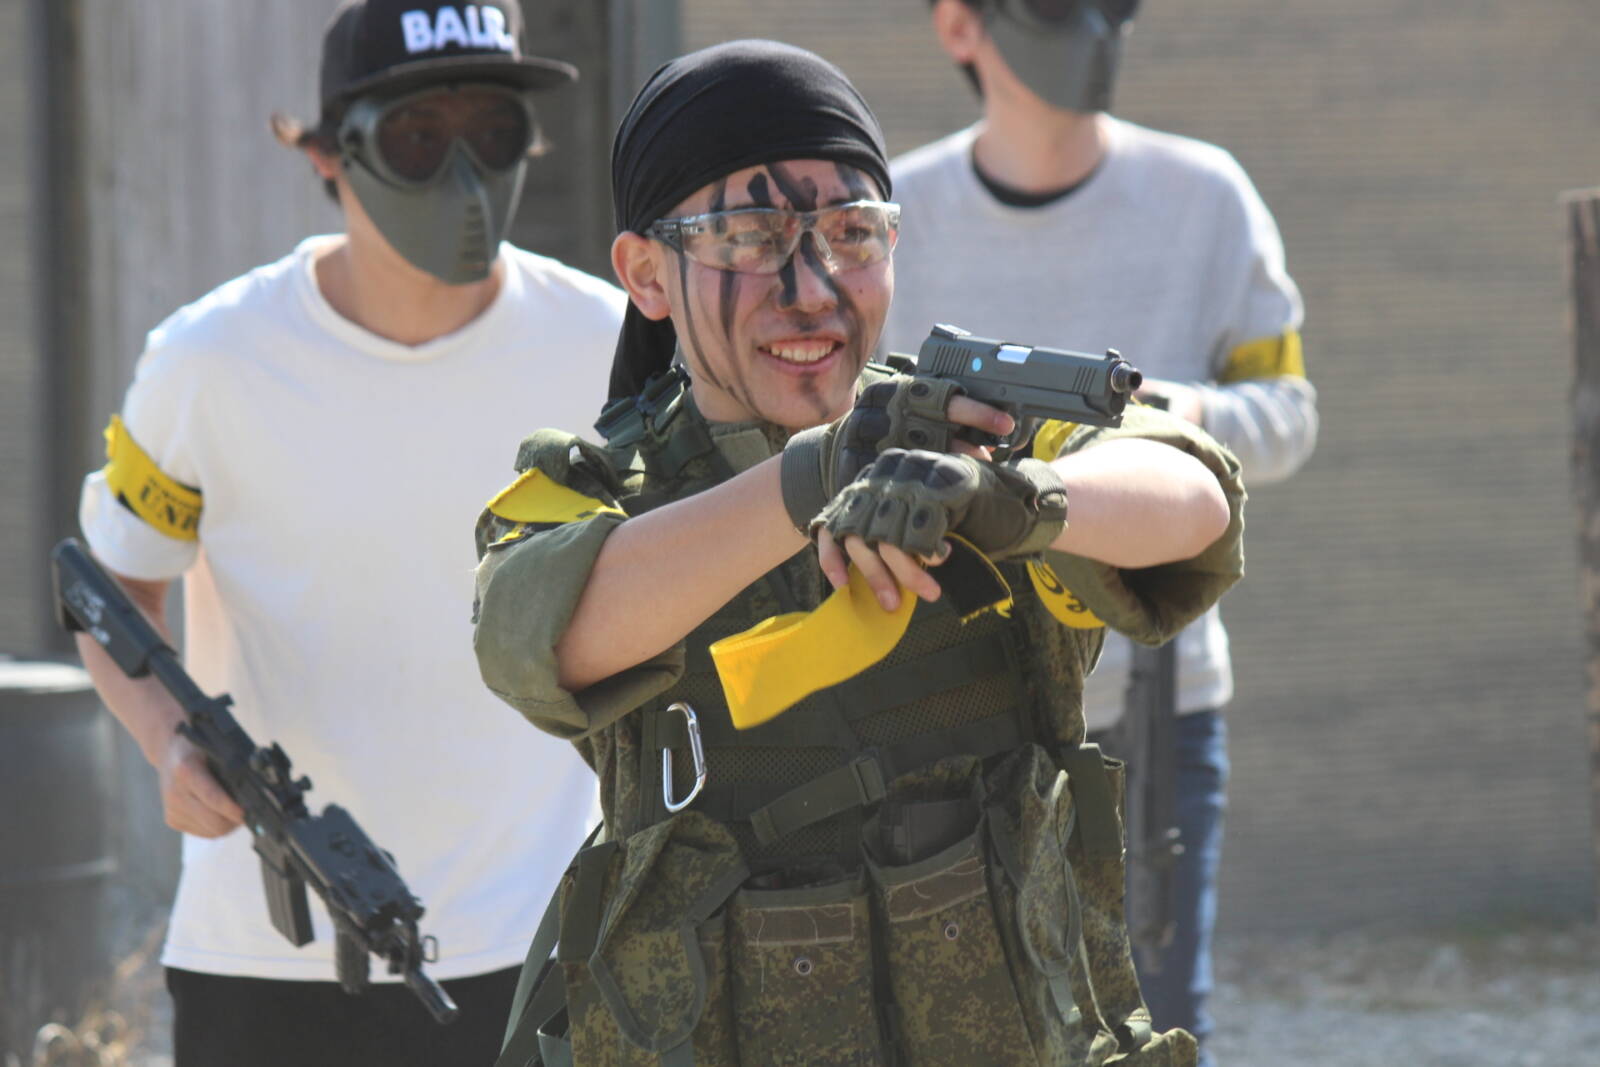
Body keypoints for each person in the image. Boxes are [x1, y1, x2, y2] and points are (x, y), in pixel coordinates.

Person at [474, 38, 1246, 1066]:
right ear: (646, 274)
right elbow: (535, 636)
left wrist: (1014, 501)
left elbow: (1196, 499)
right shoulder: (601, 493)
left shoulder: (976, 434)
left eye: (852, 233)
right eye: (749, 239)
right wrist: (814, 474)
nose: (812, 287)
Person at [71, 2, 625, 1064]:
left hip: (549, 941)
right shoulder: (209, 359)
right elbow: (111, 584)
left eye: (493, 132)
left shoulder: (608, 344)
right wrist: (167, 740)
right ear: (329, 153)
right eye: (418, 136)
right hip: (267, 959)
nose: (464, 175)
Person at [881, 2, 1319, 1062]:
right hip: (946, 706)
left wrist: (1174, 418)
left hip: (1158, 699)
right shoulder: (891, 217)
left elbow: (1289, 414)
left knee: (1153, 1029)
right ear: (958, 25)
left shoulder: (1207, 195)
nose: (1087, 25)